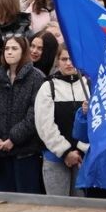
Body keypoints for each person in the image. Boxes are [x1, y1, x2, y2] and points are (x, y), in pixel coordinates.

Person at [35, 45, 87, 197]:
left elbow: (95, 123)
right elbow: (44, 125)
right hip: (54, 157)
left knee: (82, 208)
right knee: (57, 208)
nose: (69, 63)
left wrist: (80, 150)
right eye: (64, 59)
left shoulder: (89, 86)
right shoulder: (48, 87)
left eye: (72, 59)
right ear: (57, 62)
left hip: (82, 158)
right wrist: (65, 152)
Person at [0, 34, 45, 193]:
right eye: (7, 48)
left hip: (26, 152)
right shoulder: (0, 76)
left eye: (14, 48)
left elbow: (35, 113)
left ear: (23, 51)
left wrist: (13, 138)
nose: (9, 52)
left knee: (27, 200)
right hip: (1, 152)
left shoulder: (36, 77)